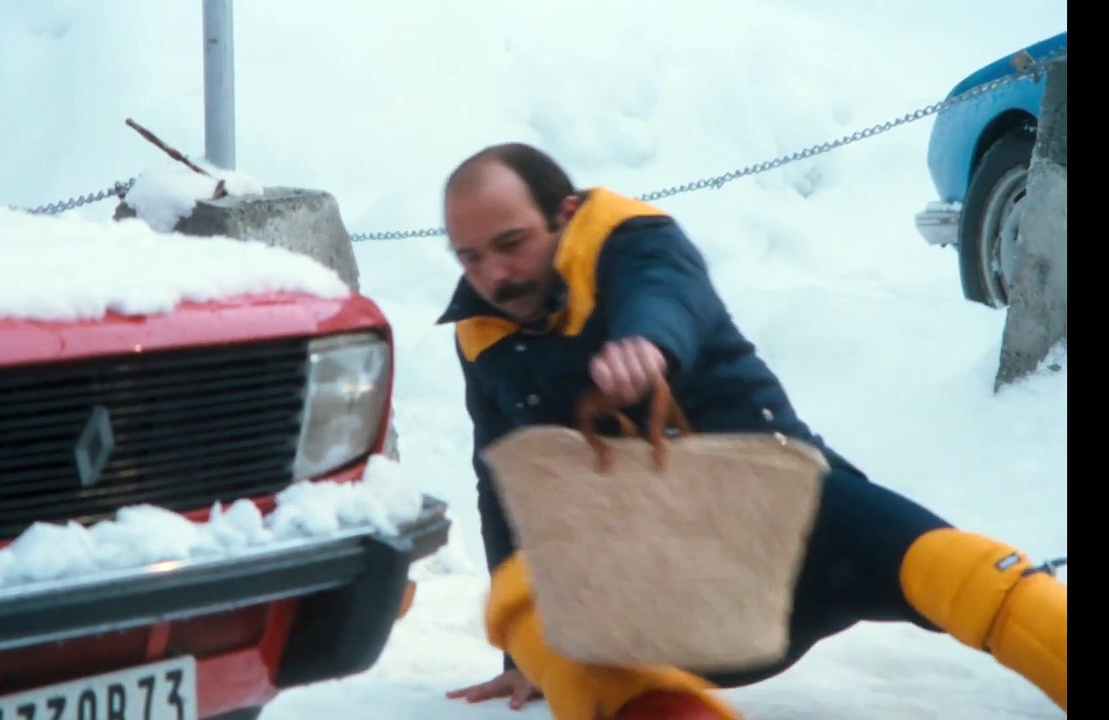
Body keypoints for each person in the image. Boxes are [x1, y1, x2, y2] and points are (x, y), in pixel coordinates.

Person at [437, 142, 1067, 720]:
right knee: (533, 604)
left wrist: (647, 344)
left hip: (788, 513)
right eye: (470, 258)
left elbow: (663, 292)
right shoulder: (484, 338)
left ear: (566, 214)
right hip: (659, 580)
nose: (494, 275)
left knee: (971, 574)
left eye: (511, 242)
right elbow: (504, 483)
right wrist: (521, 658)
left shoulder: (634, 240)